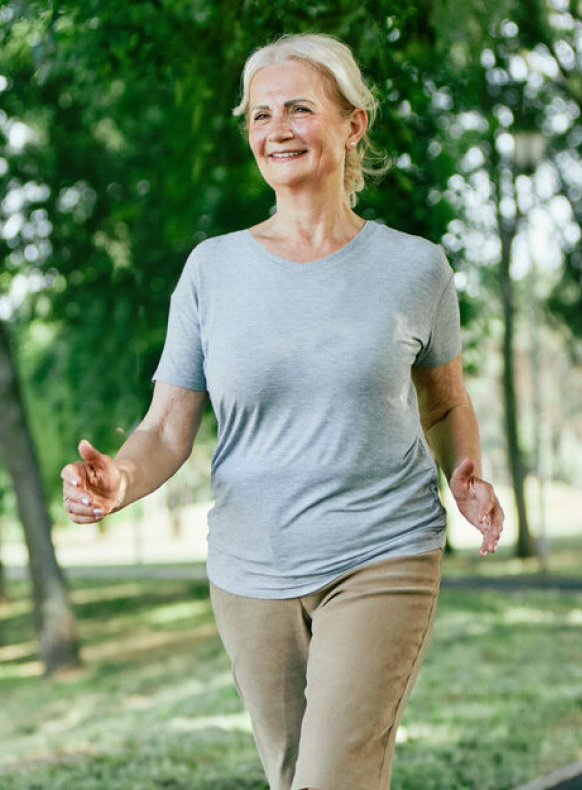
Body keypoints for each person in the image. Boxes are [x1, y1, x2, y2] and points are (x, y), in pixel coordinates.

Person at [61, 32, 505, 790]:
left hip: (382, 547)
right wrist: (121, 482)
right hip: (251, 567)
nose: (277, 130)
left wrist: (464, 473)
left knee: (332, 778)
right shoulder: (212, 270)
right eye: (261, 115)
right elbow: (167, 426)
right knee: (296, 776)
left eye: (299, 108)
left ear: (352, 124)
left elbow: (445, 402)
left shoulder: (414, 266)